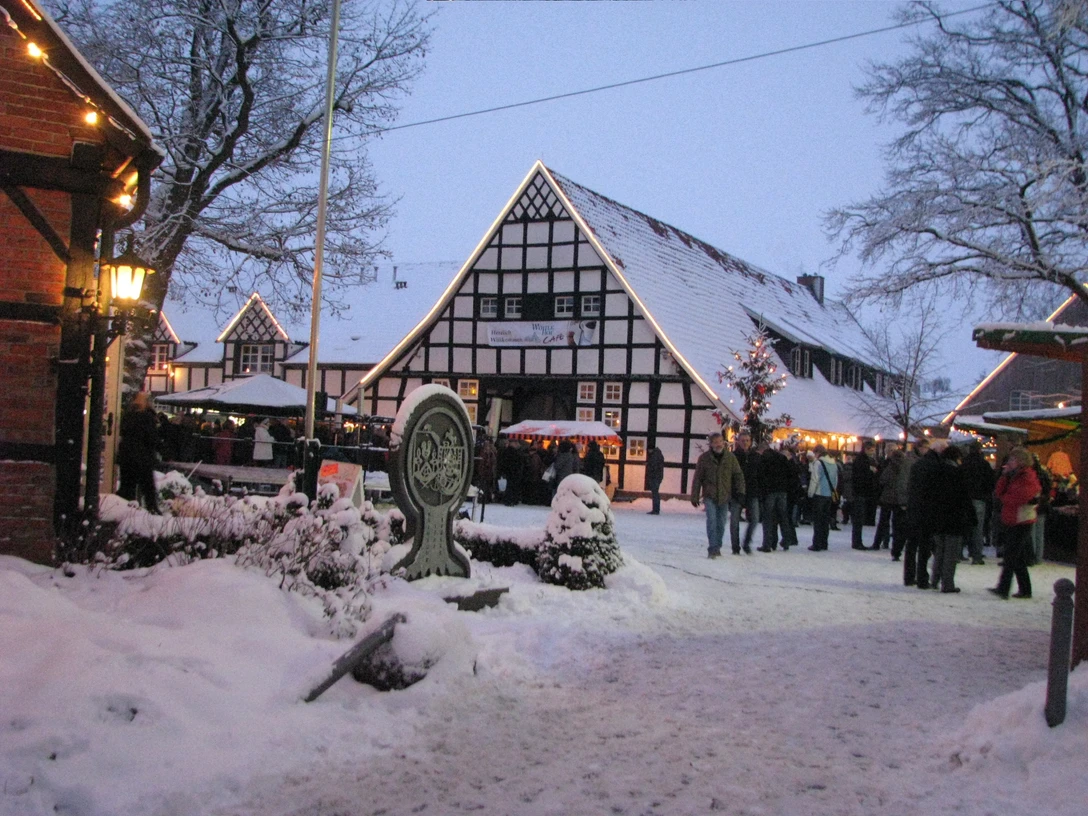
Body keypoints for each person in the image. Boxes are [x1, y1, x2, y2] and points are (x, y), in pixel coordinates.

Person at [989, 446, 1041, 600]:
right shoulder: (1013, 476)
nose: (1009, 462)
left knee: (1011, 556)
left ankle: (1004, 588)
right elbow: (999, 492)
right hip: (1013, 518)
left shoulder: (1026, 477)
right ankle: (1024, 589)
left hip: (1022, 519)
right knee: (1017, 557)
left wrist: (1004, 498)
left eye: (1012, 459)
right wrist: (1004, 477)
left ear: (1020, 461)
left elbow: (1017, 498)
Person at [690, 433, 745, 559]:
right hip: (710, 495)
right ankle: (713, 548)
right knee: (711, 521)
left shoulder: (730, 458)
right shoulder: (704, 458)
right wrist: (694, 495)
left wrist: (741, 491)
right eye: (715, 442)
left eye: (720, 441)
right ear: (711, 444)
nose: (718, 444)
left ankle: (717, 546)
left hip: (725, 496)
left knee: (721, 523)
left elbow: (738, 475)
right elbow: (698, 478)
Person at [929, 444, 976, 593]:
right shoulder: (958, 474)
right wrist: (972, 517)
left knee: (939, 551)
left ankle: (934, 579)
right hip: (954, 518)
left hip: (937, 517)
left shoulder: (935, 472)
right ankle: (947, 583)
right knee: (951, 553)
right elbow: (965, 497)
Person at [904, 437, 940, 588]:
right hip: (925, 509)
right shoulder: (932, 465)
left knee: (912, 544)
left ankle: (909, 576)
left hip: (914, 506)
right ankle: (921, 578)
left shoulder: (916, 464)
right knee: (923, 544)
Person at [117, 392, 160, 513]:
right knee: (148, 487)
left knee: (127, 486)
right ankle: (152, 510)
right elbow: (151, 438)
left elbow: (123, 433)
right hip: (143, 457)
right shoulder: (148, 417)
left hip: (127, 456)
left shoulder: (128, 415)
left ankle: (124, 510)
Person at [960, 441, 996, 565]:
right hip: (979, 498)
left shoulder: (963, 463)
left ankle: (959, 553)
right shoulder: (984, 464)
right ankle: (976, 555)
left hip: (964, 498)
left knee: (963, 526)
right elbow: (991, 482)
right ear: (980, 450)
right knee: (977, 528)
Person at [759, 441, 798, 551]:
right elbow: (791, 471)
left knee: (768, 517)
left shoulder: (764, 458)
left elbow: (761, 475)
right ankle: (786, 541)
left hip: (770, 491)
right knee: (783, 516)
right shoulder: (781, 457)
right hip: (782, 491)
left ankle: (767, 544)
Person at [807, 445, 839, 551]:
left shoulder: (818, 463)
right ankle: (824, 543)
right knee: (825, 520)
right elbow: (835, 479)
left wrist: (810, 493)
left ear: (817, 452)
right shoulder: (833, 463)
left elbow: (814, 479)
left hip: (819, 493)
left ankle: (816, 544)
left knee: (818, 520)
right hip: (829, 495)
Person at [870, 448, 902, 551]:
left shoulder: (890, 466)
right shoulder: (904, 467)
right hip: (899, 498)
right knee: (897, 524)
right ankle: (896, 547)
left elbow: (883, 480)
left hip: (887, 497)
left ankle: (877, 543)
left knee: (883, 521)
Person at [729, 431, 755, 554]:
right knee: (734, 521)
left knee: (755, 519)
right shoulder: (733, 456)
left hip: (752, 492)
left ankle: (747, 543)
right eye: (743, 440)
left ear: (750, 442)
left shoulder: (755, 456)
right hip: (736, 493)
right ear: (738, 442)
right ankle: (735, 546)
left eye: (747, 440)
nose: (745, 442)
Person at [851, 440, 879, 550]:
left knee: (859, 518)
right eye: (871, 450)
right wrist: (871, 471)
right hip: (861, 492)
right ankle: (857, 542)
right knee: (859, 518)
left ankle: (857, 541)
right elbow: (860, 477)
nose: (872, 452)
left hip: (862, 492)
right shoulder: (862, 461)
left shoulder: (865, 460)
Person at [645, 445, 665, 514]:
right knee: (655, 493)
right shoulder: (658, 454)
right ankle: (656, 509)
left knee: (655, 493)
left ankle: (656, 509)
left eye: (648, 450)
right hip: (657, 477)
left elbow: (654, 467)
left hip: (655, 477)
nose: (648, 451)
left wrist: (648, 464)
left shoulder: (655, 456)